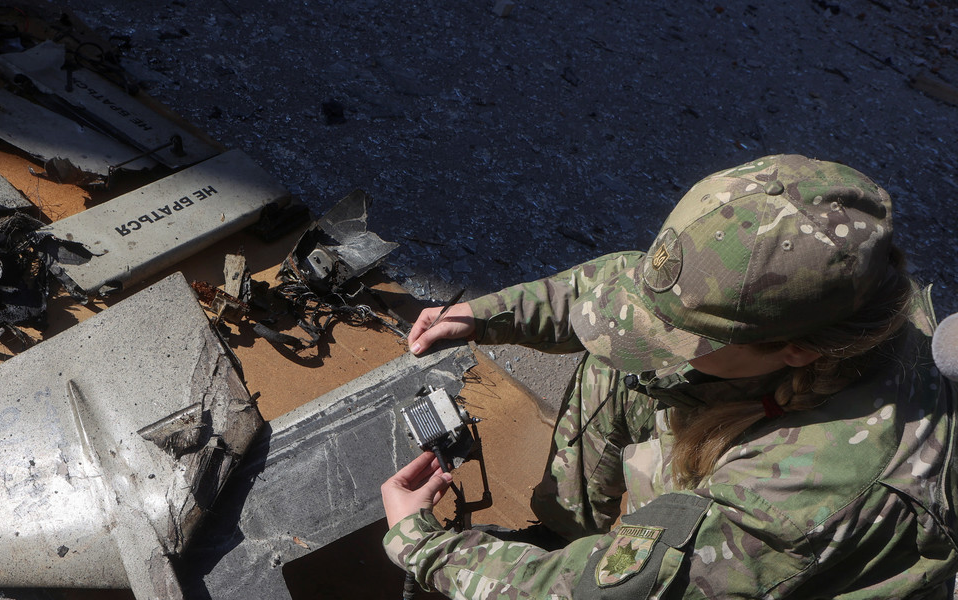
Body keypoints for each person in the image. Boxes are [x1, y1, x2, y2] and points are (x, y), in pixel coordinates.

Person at [380, 154, 958, 598]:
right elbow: (622, 293)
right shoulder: (839, 294)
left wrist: (425, 548)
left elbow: (612, 593)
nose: (654, 333)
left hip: (781, 572)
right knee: (626, 361)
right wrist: (485, 316)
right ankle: (563, 533)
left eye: (683, 335)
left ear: (798, 351)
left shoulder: (793, 497)